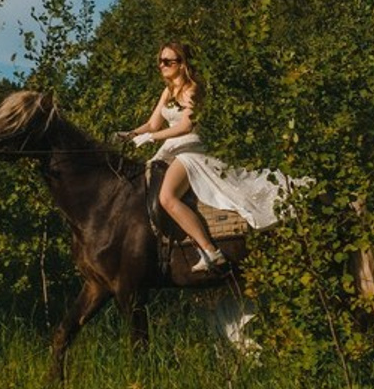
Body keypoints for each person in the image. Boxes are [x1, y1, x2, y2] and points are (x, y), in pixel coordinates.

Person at [118, 41, 302, 271]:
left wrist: (153, 138)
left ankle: (210, 251)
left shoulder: (193, 89)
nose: (161, 65)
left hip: (189, 151)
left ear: (182, 63)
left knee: (167, 197)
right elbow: (153, 123)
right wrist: (132, 134)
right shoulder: (168, 91)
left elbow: (186, 126)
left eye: (168, 61)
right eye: (160, 61)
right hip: (171, 150)